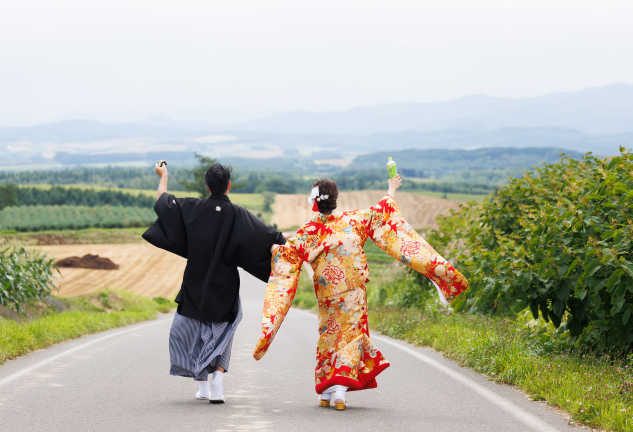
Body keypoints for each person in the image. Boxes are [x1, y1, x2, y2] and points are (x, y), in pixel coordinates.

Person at [253, 174, 468, 410]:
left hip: (327, 295)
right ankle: (340, 391)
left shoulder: (309, 231)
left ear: (314, 201)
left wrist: (270, 245)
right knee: (350, 336)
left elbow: (286, 252)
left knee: (328, 336)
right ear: (335, 198)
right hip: (353, 293)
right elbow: (383, 212)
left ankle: (326, 390)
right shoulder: (355, 220)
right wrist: (391, 188)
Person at [142, 160, 285, 404]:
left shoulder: (193, 207)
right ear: (229, 185)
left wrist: (163, 176)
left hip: (195, 282)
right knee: (223, 331)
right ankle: (217, 379)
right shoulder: (239, 215)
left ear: (207, 187)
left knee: (197, 331)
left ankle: (203, 386)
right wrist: (289, 239)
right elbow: (268, 237)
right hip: (225, 286)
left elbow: (163, 203)